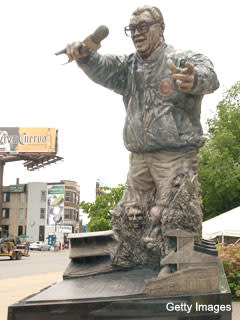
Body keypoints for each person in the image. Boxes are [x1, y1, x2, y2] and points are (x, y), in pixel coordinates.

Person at [65, 5, 219, 269]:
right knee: (131, 212)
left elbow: (210, 76)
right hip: (139, 156)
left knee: (176, 209)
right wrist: (85, 57)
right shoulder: (128, 67)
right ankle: (135, 260)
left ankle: (179, 267)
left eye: (143, 27)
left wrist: (194, 79)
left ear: (160, 28)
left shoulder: (181, 58)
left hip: (175, 154)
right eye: (132, 29)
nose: (137, 33)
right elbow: (103, 66)